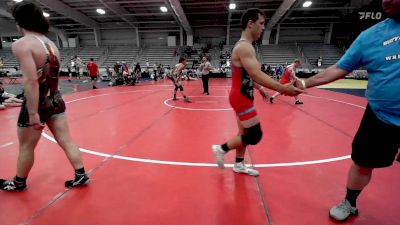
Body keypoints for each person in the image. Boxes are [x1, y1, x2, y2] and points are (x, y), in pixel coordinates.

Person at [296, 0, 400, 221]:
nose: (385, 0)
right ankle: (350, 201)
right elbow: (337, 69)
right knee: (362, 163)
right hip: (381, 116)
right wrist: (305, 83)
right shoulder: (371, 36)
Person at [0, 2, 89, 191]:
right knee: (66, 139)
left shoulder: (22, 44)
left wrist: (33, 113)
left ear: (19, 22)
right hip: (55, 99)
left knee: (26, 146)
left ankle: (18, 182)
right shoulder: (51, 44)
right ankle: (81, 174)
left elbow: (31, 81)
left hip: (38, 102)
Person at [211, 8, 304, 176]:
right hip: (241, 97)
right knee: (255, 135)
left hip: (242, 94)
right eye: (261, 24)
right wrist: (282, 88)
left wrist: (260, 89)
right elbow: (256, 74)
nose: (263, 28)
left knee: (243, 133)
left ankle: (239, 164)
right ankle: (221, 148)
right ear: (250, 23)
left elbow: (246, 76)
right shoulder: (245, 47)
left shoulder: (246, 46)